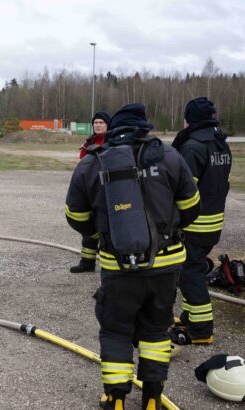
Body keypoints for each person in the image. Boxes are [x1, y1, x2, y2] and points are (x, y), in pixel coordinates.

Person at [65, 103, 200, 409]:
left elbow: (75, 215)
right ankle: (152, 398)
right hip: (165, 266)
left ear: (113, 130)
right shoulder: (169, 156)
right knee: (156, 329)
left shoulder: (92, 163)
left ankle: (115, 399)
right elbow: (192, 207)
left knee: (116, 330)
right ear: (144, 128)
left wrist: (103, 234)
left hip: (118, 266)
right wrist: (166, 231)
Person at [170, 97, 232, 346]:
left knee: (188, 274)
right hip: (213, 221)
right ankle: (190, 316)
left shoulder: (193, 146)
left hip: (194, 224)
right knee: (191, 270)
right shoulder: (220, 145)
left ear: (189, 120)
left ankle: (200, 329)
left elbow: (184, 189)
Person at [70, 111, 110, 273]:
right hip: (88, 190)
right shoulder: (90, 142)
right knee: (88, 227)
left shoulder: (111, 142)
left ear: (108, 125)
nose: (98, 125)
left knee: (104, 227)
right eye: (96, 122)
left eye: (101, 122)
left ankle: (110, 266)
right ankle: (87, 262)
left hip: (104, 189)